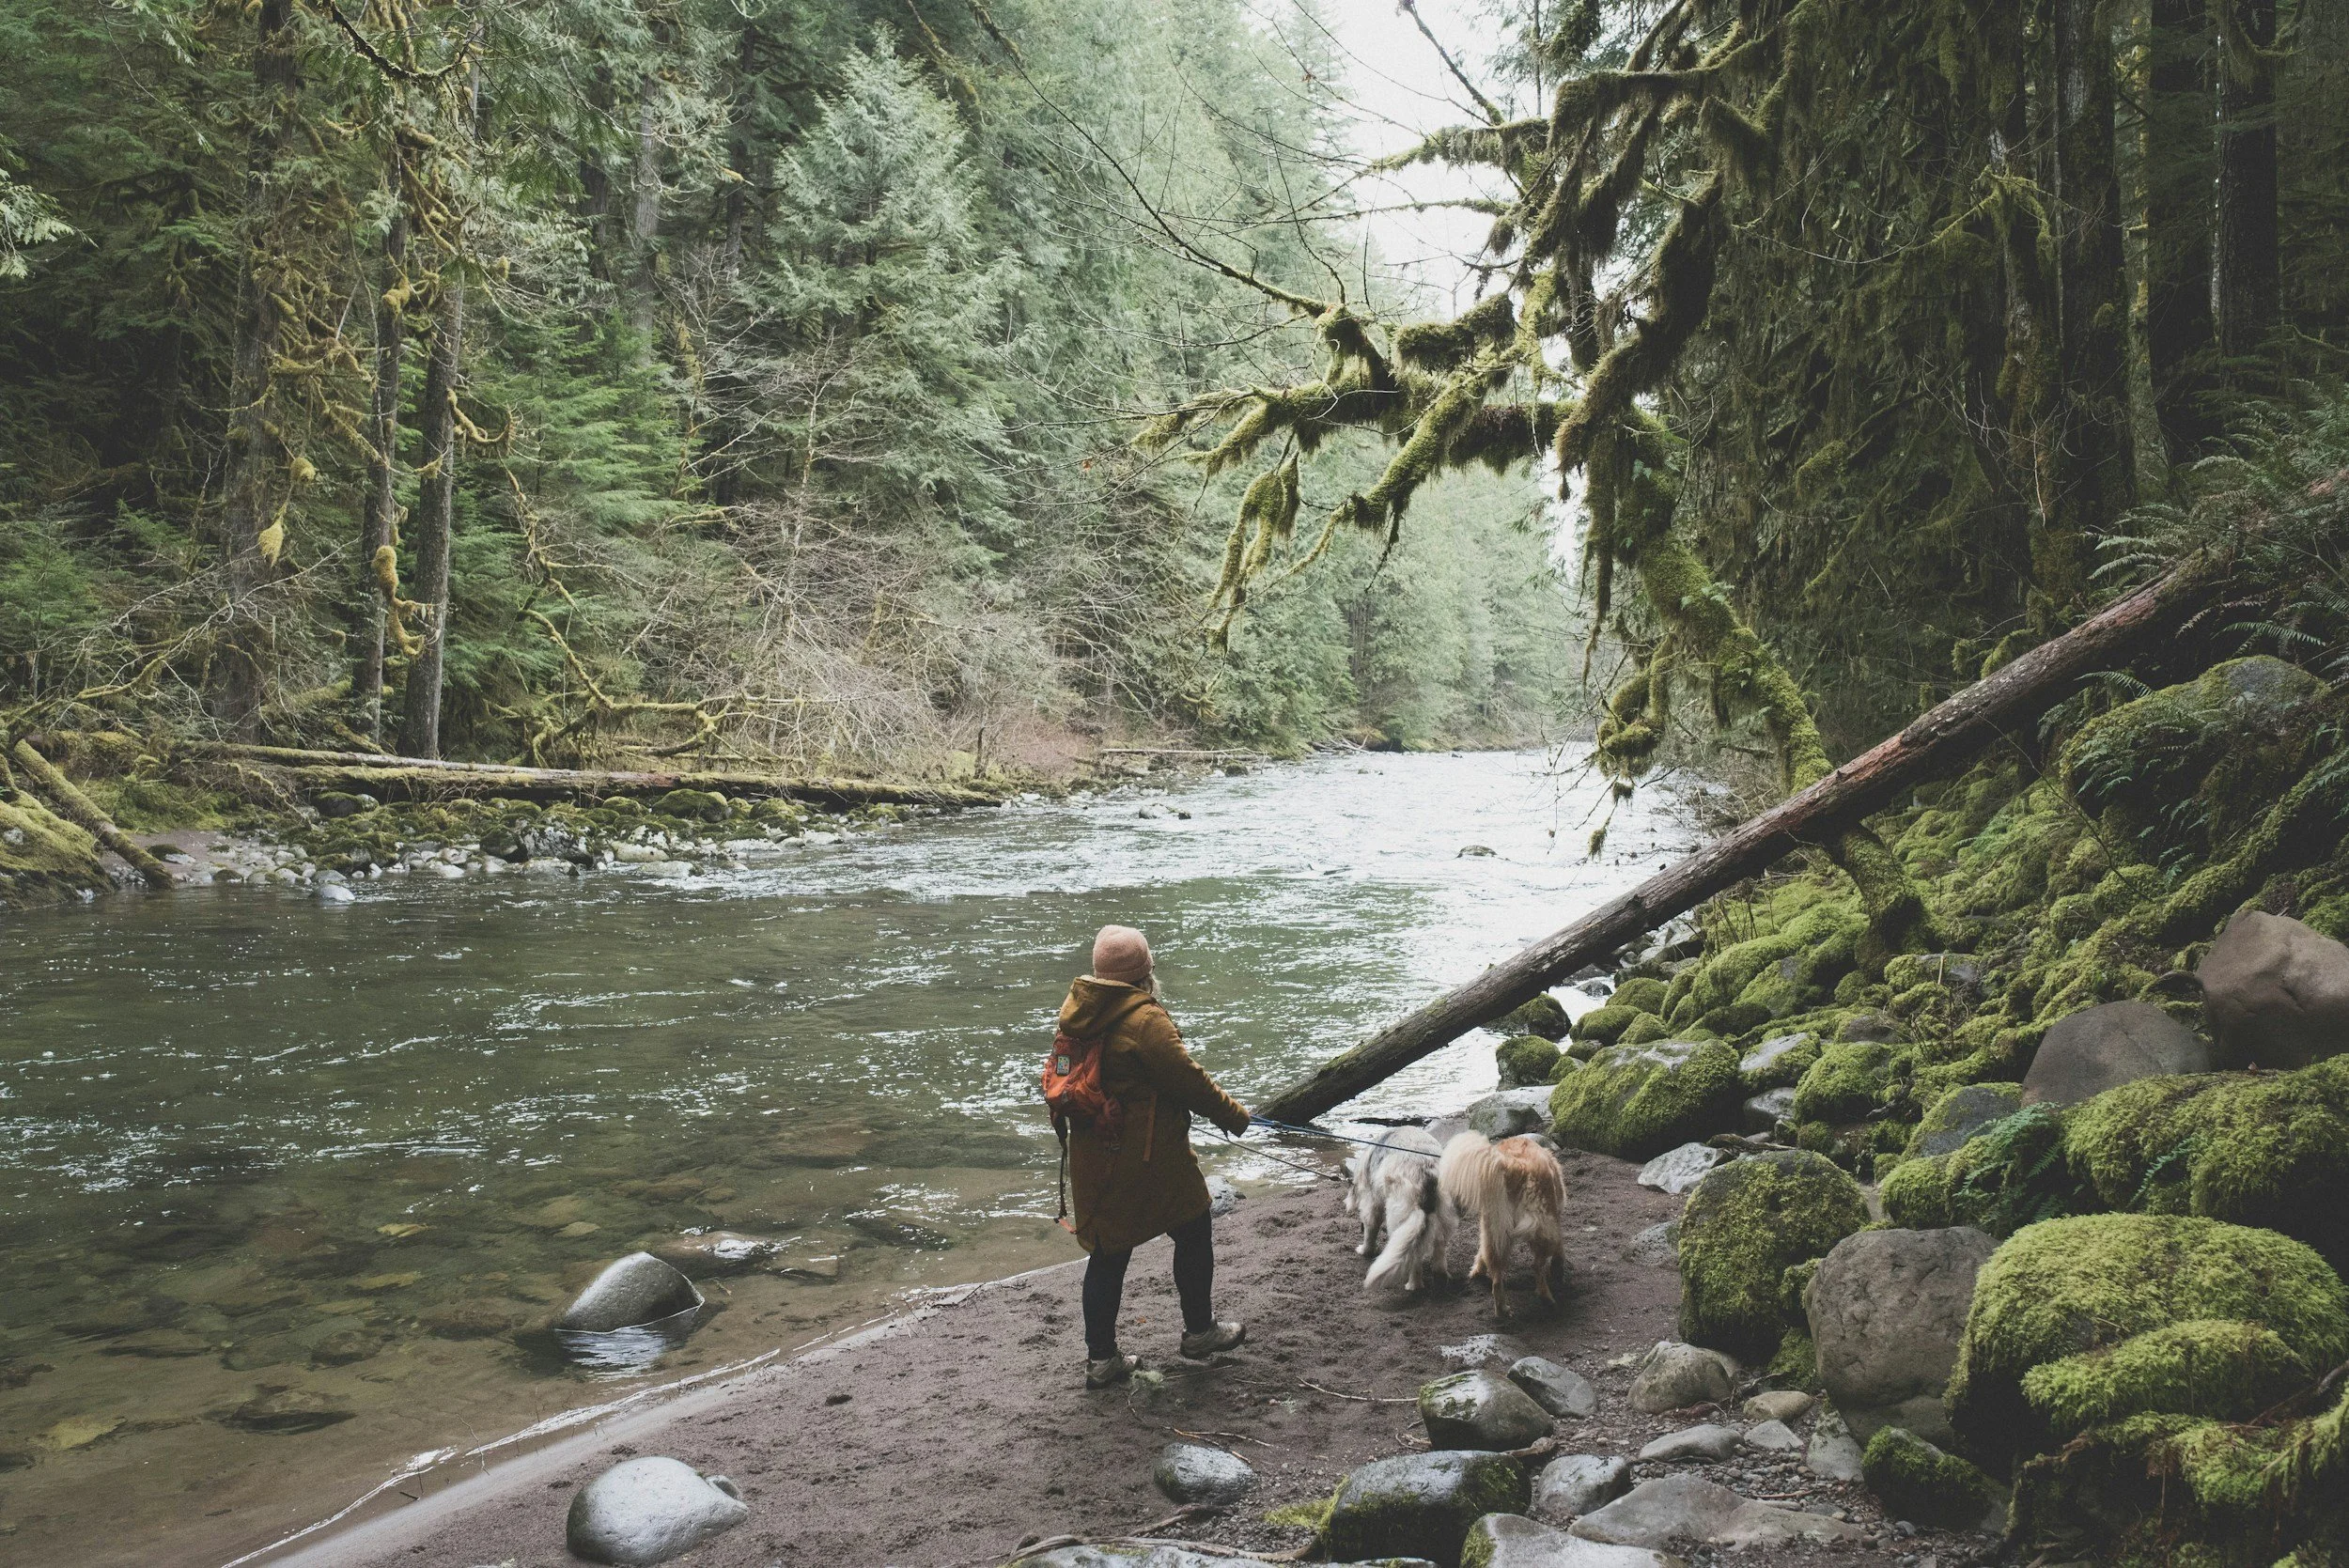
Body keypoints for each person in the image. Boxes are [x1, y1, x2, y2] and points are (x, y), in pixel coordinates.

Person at [1053, 924, 1251, 1388]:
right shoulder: (1146, 1020)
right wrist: (1236, 1116)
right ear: (1145, 974)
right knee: (1195, 1225)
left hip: (1092, 1159)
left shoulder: (1074, 1016)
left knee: (1107, 1255)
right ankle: (1199, 1332)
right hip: (1148, 1160)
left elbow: (1062, 1077)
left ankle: (1102, 1361)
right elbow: (1189, 1080)